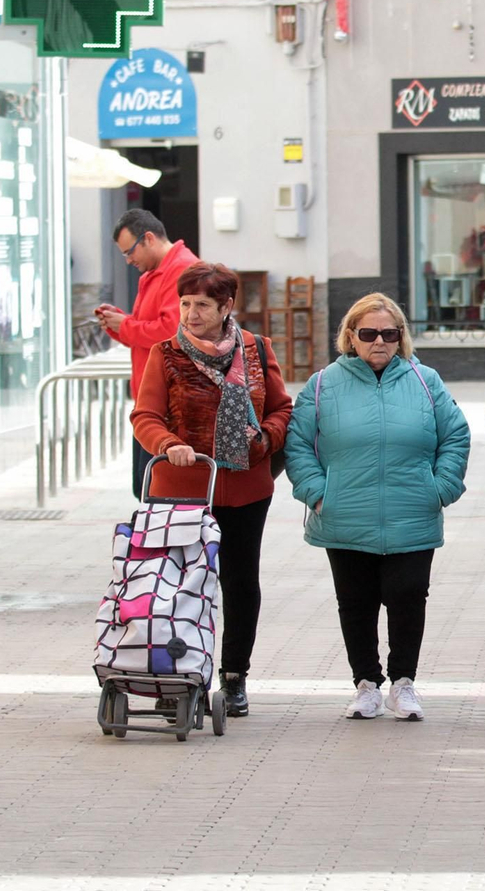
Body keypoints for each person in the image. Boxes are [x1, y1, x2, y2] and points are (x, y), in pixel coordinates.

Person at [284, 293, 471, 721]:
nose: (379, 342)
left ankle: (403, 684)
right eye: (368, 334)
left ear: (401, 337)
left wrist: (439, 489)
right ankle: (366, 684)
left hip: (413, 511)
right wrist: (317, 492)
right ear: (351, 336)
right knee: (356, 602)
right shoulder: (324, 383)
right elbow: (298, 444)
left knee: (408, 597)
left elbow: (456, 435)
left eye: (389, 333)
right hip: (344, 514)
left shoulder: (426, 380)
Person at [130, 262, 292, 719]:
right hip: (181, 490)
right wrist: (169, 444)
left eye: (201, 304)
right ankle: (177, 676)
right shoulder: (165, 354)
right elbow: (145, 417)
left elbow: (282, 409)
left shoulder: (257, 350)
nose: (190, 313)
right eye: (185, 303)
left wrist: (264, 437)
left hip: (244, 488)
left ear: (226, 306)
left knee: (240, 584)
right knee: (177, 587)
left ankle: (234, 676)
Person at [98, 208, 200, 495]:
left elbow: (171, 333)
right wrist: (118, 323)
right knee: (144, 487)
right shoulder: (155, 272)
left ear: (149, 238)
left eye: (130, 251)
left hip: (169, 403)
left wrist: (125, 324)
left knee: (157, 490)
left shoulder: (181, 270)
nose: (129, 260)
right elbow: (144, 332)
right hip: (150, 399)